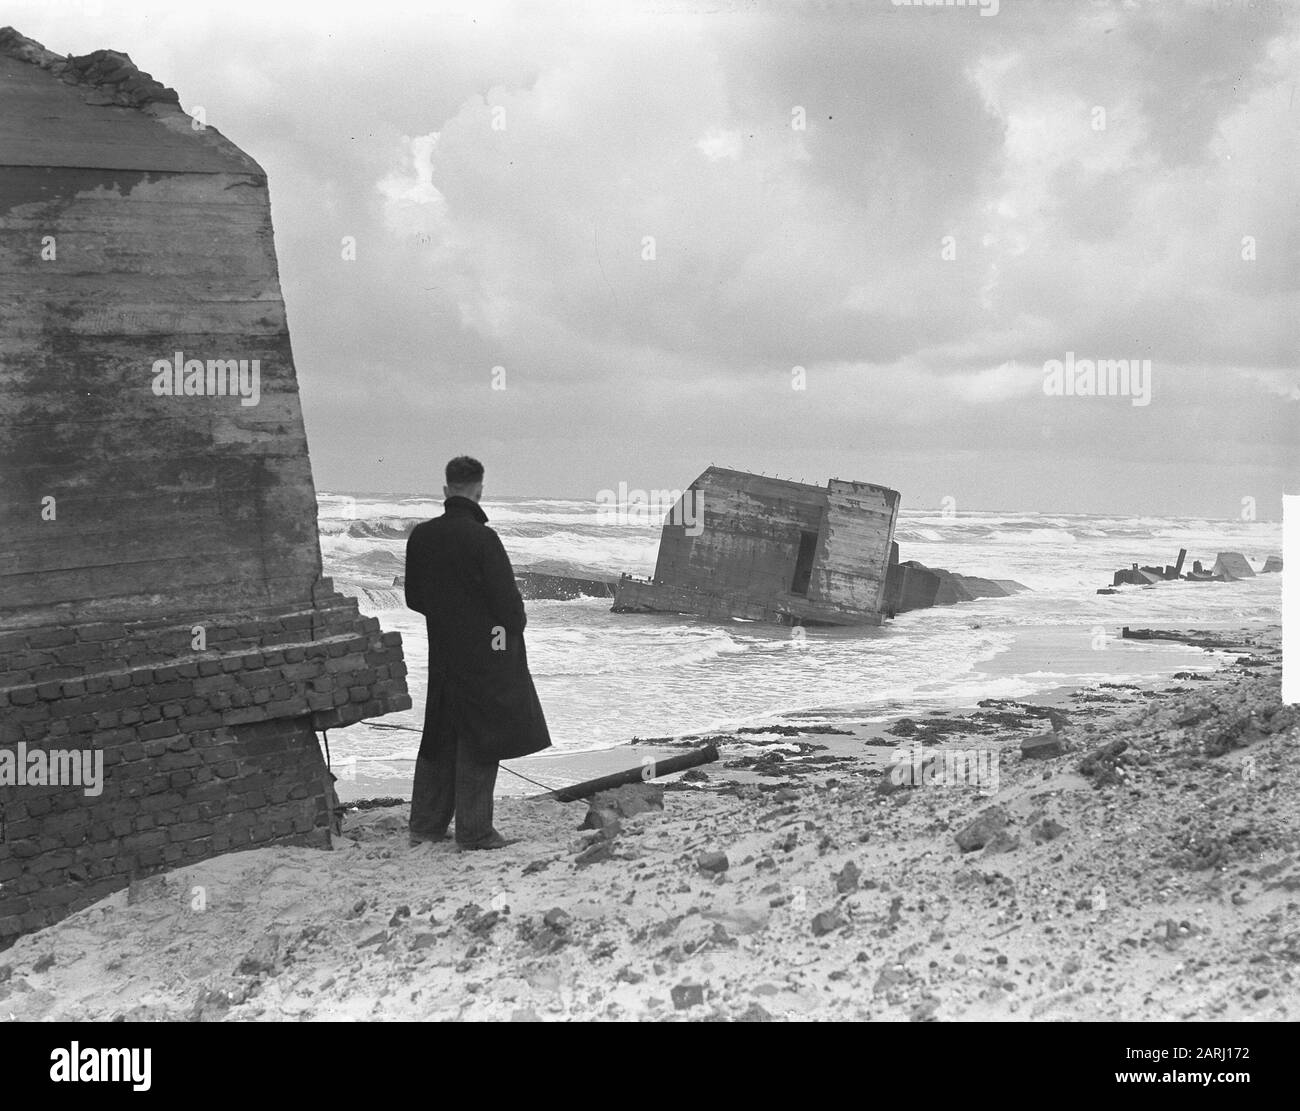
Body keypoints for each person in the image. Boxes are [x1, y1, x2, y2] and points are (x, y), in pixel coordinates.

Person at [403, 456, 552, 849]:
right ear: (480, 489)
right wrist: (501, 639)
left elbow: (414, 598)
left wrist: (449, 619)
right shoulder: (483, 539)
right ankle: (474, 831)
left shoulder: (421, 536)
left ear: (446, 489)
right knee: (479, 736)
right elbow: (509, 609)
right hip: (484, 653)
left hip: (443, 652)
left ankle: (424, 826)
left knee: (439, 732)